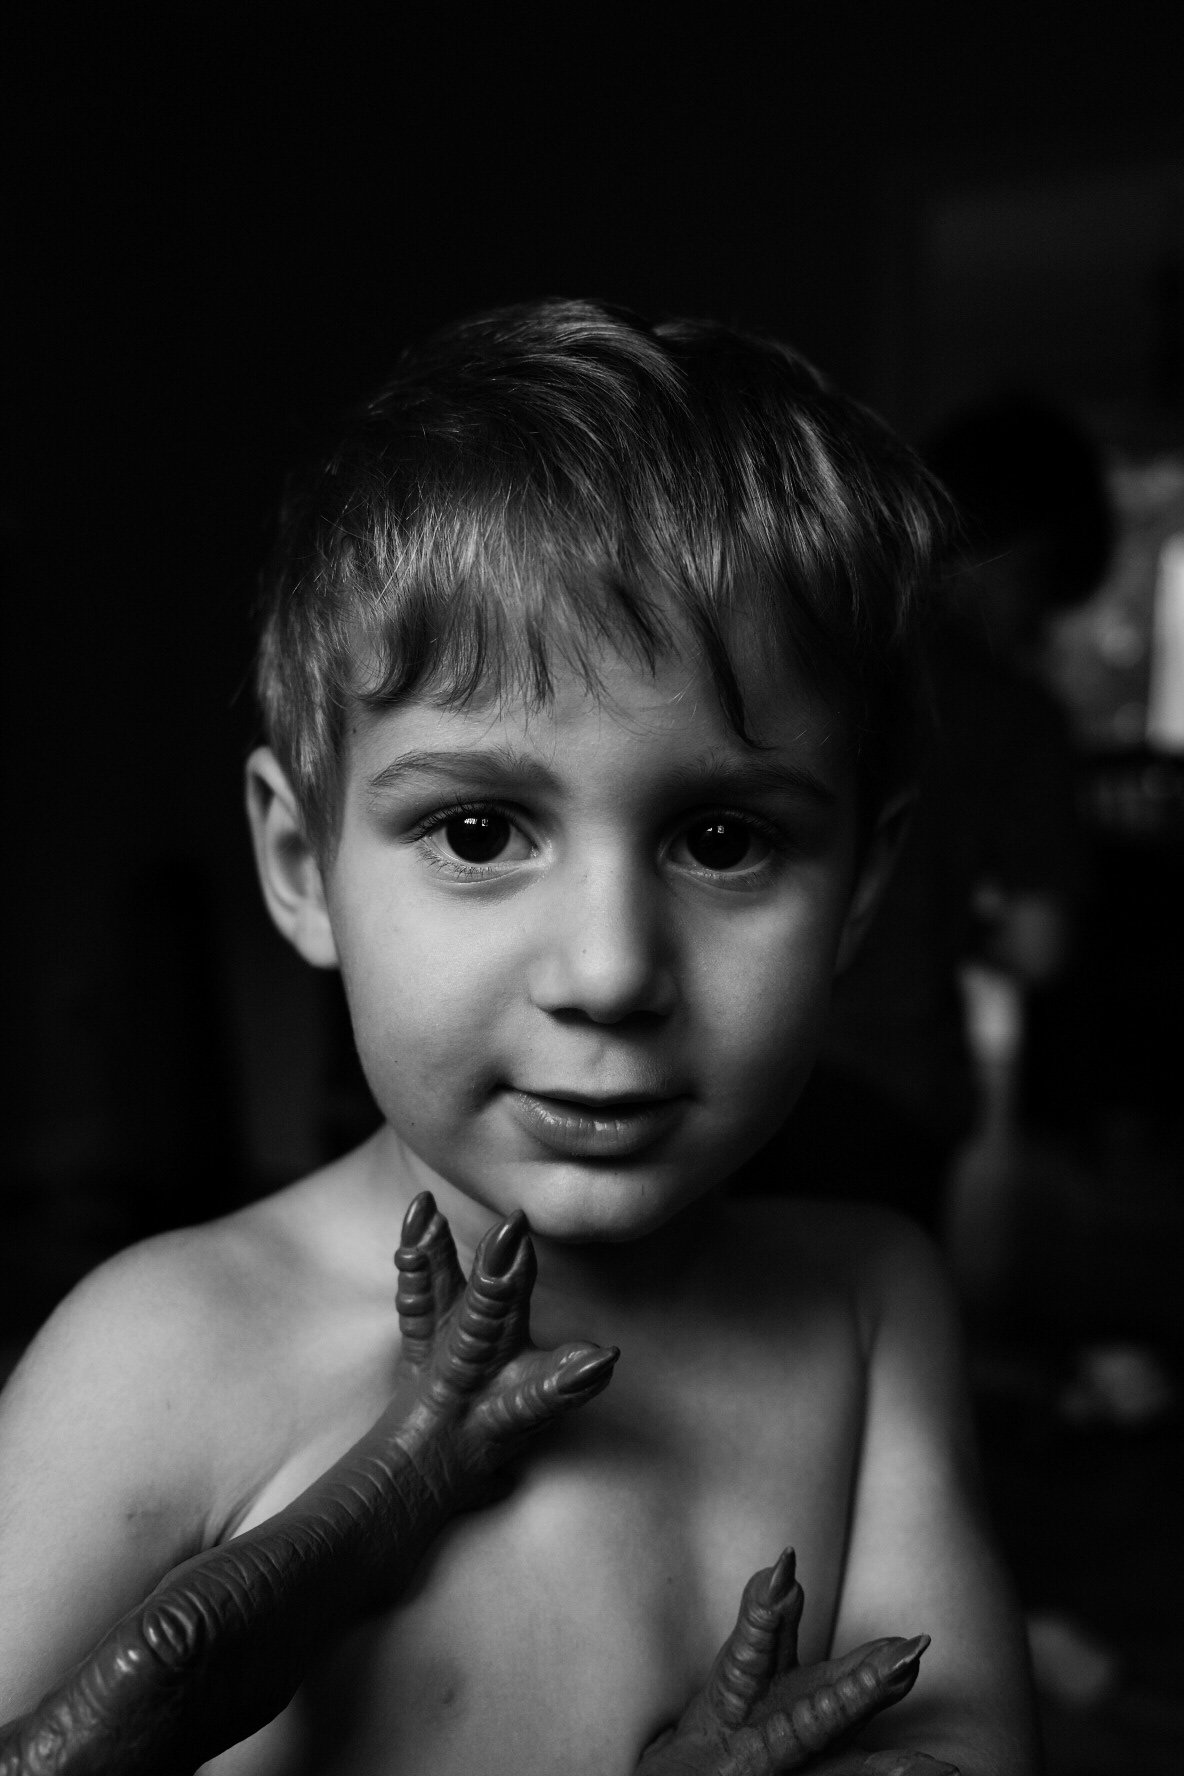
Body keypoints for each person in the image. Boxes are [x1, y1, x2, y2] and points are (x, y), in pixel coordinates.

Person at [0, 302, 1037, 1775]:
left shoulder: (867, 1310)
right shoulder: (159, 1356)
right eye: (478, 830)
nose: (611, 973)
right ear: (303, 868)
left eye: (724, 838)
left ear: (862, 886)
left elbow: (963, 1736)